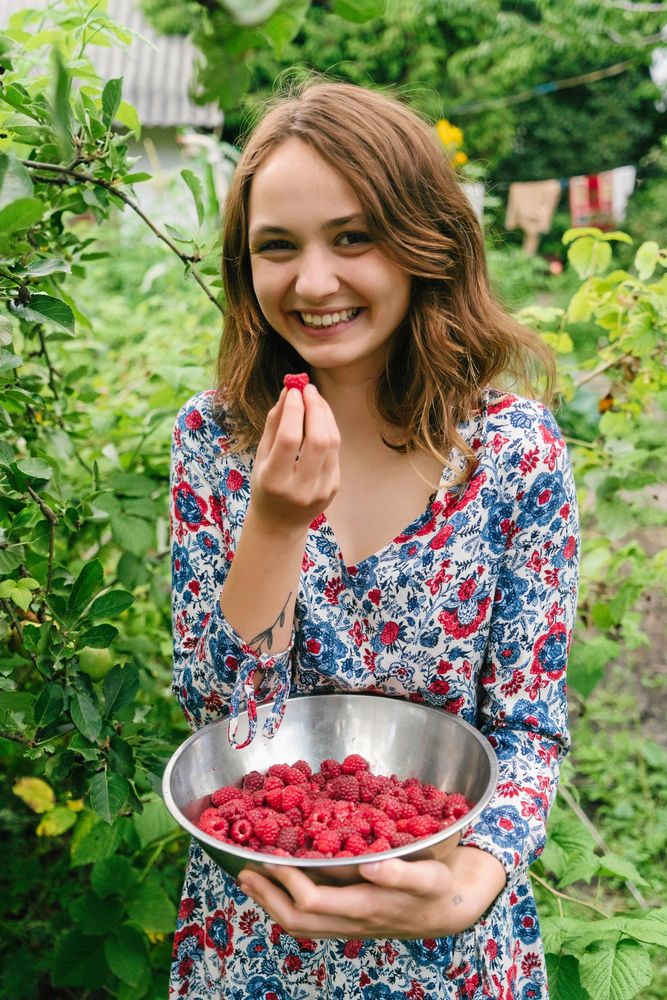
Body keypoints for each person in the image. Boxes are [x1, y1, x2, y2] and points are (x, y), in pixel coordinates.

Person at [169, 79, 579, 999]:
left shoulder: (510, 454)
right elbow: (225, 725)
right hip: (256, 937)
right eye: (278, 248)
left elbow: (523, 726)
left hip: (452, 944)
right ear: (247, 269)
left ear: (425, 239)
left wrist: (468, 888)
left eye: (353, 237)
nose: (313, 283)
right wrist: (273, 520)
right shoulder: (216, 441)